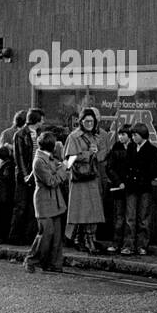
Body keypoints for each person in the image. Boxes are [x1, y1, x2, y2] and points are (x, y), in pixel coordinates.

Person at [64, 107, 108, 254]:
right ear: (81, 121)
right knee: (81, 211)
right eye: (87, 121)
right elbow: (69, 160)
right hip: (79, 178)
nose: (90, 123)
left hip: (92, 176)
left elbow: (103, 154)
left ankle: (87, 239)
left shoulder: (98, 136)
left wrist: (96, 154)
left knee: (93, 211)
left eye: (92, 121)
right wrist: (89, 154)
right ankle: (80, 239)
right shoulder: (73, 137)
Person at [24, 131, 69, 273]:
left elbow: (57, 169)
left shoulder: (47, 158)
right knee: (46, 234)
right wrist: (63, 169)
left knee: (56, 236)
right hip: (44, 202)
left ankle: (54, 264)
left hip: (54, 201)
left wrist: (62, 167)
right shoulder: (39, 161)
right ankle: (31, 259)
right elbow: (51, 181)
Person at [123, 122, 157, 256]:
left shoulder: (152, 150)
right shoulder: (131, 147)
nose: (133, 137)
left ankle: (142, 245)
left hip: (144, 187)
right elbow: (126, 165)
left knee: (143, 218)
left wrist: (144, 177)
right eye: (132, 135)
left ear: (142, 135)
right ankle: (128, 245)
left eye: (135, 134)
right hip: (132, 187)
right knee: (130, 218)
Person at [9, 109, 44, 245]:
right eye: (41, 119)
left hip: (36, 174)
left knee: (32, 207)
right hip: (25, 175)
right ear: (36, 119)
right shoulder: (20, 134)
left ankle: (29, 236)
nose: (43, 121)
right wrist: (24, 175)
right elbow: (20, 157)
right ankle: (15, 236)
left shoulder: (39, 133)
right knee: (21, 206)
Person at [105, 126, 132, 253]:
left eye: (124, 134)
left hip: (131, 187)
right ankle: (116, 243)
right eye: (120, 134)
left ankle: (128, 245)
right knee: (119, 216)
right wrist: (119, 182)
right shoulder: (116, 148)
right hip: (119, 188)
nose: (121, 137)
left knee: (129, 218)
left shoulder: (134, 148)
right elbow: (110, 168)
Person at [0, 142, 17, 244]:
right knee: (5, 217)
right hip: (6, 195)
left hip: (0, 195)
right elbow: (9, 179)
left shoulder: (1, 164)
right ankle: (1, 237)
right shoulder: (9, 165)